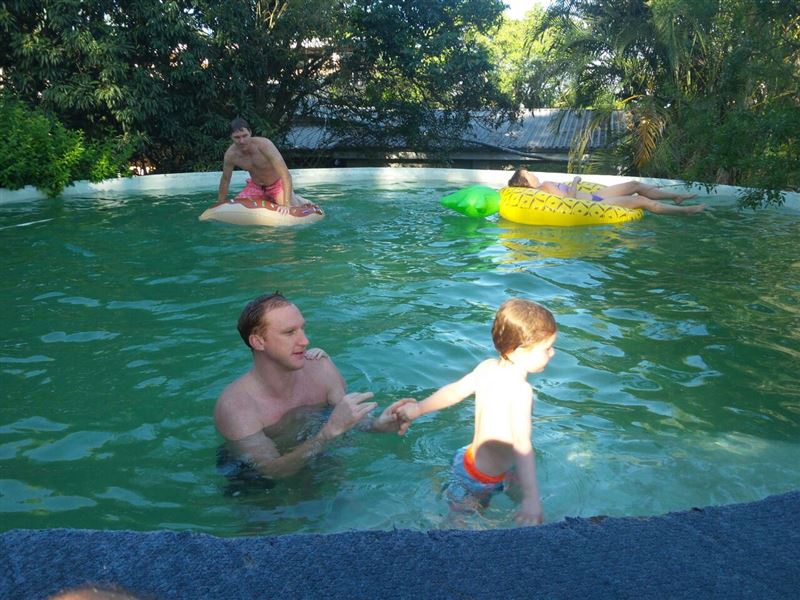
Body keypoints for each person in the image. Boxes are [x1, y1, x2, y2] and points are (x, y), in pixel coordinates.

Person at [393, 298, 557, 525]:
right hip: (482, 479)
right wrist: (532, 498)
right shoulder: (521, 391)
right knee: (460, 526)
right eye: (546, 348)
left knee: (508, 495)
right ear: (519, 351)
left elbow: (454, 392)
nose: (552, 353)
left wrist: (418, 408)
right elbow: (522, 444)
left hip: (467, 458)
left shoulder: (487, 367)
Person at [214, 293, 412, 480]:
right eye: (289, 332)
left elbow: (347, 418)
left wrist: (378, 425)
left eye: (302, 328)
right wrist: (327, 434)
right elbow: (271, 471)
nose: (305, 341)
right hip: (259, 484)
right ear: (258, 342)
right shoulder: (236, 406)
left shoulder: (321, 368)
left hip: (319, 457)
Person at [508, 168, 705, 215]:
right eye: (528, 174)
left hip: (597, 196)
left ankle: (676, 196)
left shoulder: (542, 188)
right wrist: (575, 180)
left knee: (634, 184)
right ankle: (686, 210)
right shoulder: (543, 187)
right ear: (525, 182)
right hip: (596, 204)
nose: (532, 173)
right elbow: (570, 199)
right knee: (643, 200)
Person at [217, 118, 312, 215]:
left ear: (250, 133)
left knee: (289, 210)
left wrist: (287, 204)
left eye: (245, 136)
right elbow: (225, 180)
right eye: (237, 137)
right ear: (231, 137)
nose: (242, 141)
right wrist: (219, 203)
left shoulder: (265, 145)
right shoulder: (231, 155)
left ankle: (298, 199)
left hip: (277, 184)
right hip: (256, 187)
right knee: (237, 207)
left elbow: (285, 174)